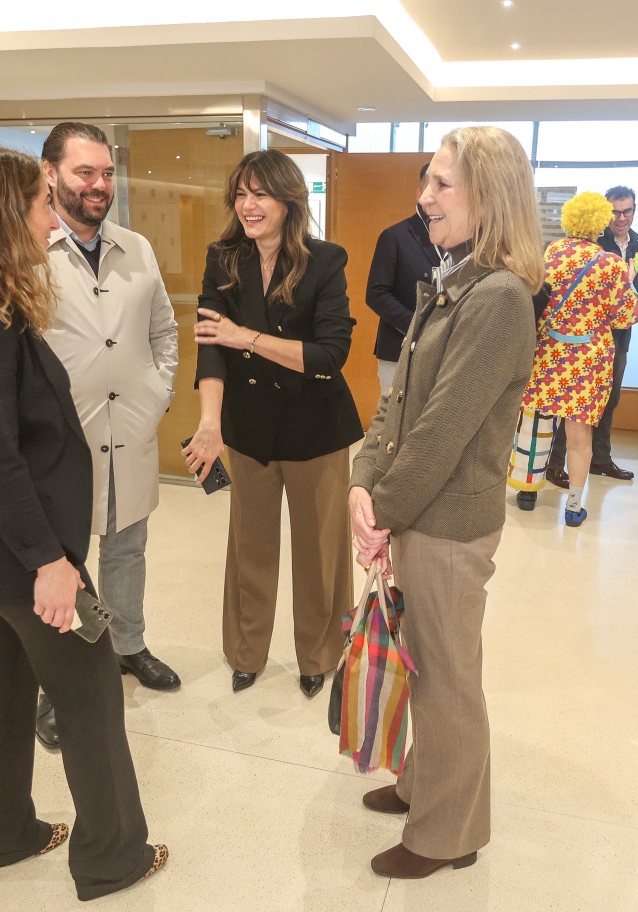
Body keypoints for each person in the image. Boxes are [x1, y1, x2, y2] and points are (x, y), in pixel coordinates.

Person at [0, 144, 166, 901]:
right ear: (0, 216)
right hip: (25, 553)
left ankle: (1, 832)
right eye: (39, 204)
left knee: (1, 683)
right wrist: (50, 562)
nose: (51, 219)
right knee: (91, 689)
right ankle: (113, 856)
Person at [349, 127, 542, 879]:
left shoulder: (497, 299)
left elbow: (439, 433)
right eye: (425, 180)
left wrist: (381, 510)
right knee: (425, 667)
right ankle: (420, 785)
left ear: (487, 197)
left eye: (441, 183)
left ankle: (447, 835)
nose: (423, 196)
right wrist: (364, 479)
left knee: (447, 681)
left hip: (448, 525)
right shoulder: (453, 280)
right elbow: (397, 404)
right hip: (415, 513)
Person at [184, 149, 363, 697]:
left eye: (260, 194)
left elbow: (330, 354)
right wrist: (209, 423)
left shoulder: (324, 260)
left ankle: (319, 655)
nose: (248, 205)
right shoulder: (223, 258)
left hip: (317, 428)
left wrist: (246, 337)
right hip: (248, 426)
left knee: (320, 552)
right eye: (241, 194)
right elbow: (210, 347)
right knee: (250, 548)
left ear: (288, 200)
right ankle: (246, 652)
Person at [36, 122, 181, 749]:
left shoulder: (136, 247)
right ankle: (58, 683)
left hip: (131, 431)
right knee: (62, 565)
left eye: (104, 173)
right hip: (62, 444)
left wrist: (155, 398)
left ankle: (128, 644)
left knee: (126, 550)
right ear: (50, 174)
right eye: (83, 173)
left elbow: (164, 332)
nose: (98, 185)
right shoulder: (30, 251)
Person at [520, 192, 638, 525]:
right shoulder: (610, 264)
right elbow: (626, 317)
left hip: (547, 354)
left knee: (536, 427)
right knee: (579, 437)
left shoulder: (550, 253)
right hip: (588, 361)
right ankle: (573, 507)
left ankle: (527, 492)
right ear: (600, 223)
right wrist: (629, 283)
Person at [547, 185, 638, 487]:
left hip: (597, 342)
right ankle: (558, 471)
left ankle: (599, 459)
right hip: (590, 345)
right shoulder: (601, 254)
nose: (621, 217)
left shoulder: (637, 247)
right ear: (602, 216)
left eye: (627, 211)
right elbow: (627, 311)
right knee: (574, 412)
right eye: (615, 212)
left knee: (605, 402)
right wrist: (627, 285)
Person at [365, 163, 442, 395]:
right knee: (392, 414)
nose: (436, 197)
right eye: (430, 188)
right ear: (419, 193)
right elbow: (376, 294)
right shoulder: (395, 236)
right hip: (399, 348)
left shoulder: (459, 239)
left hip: (444, 350)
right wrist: (417, 325)